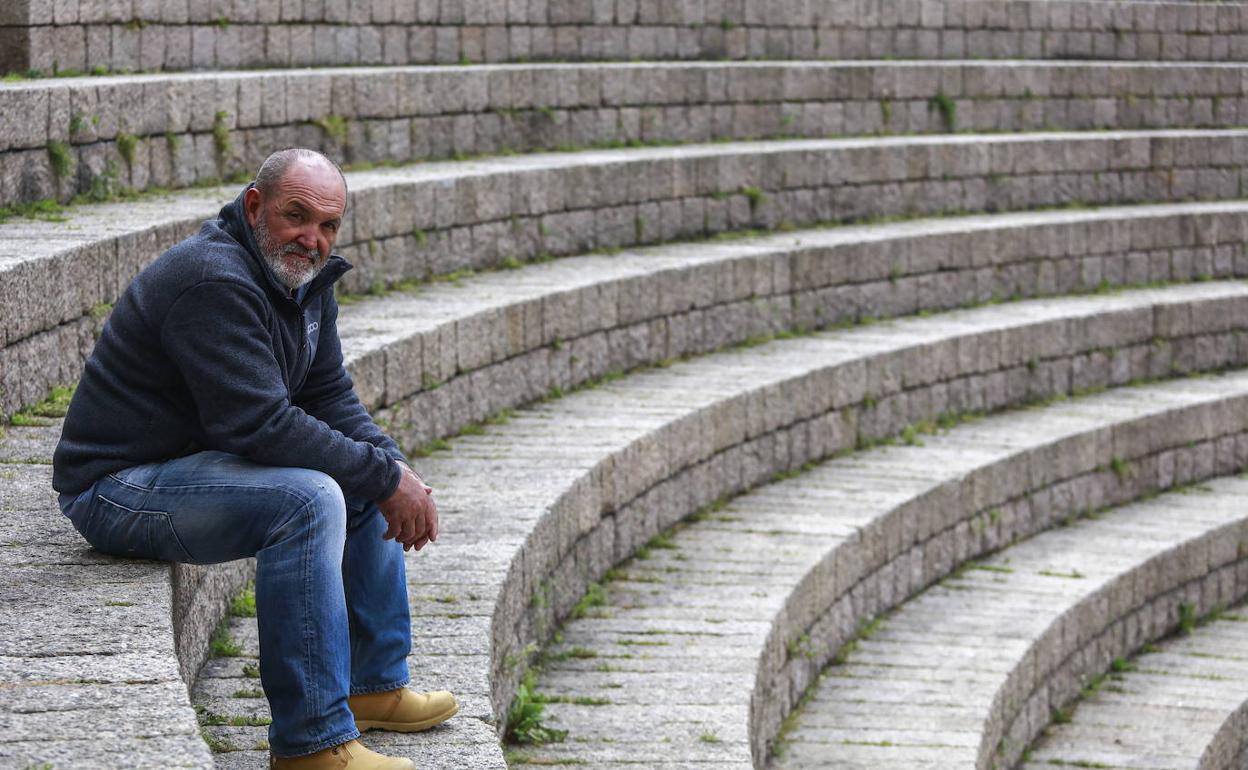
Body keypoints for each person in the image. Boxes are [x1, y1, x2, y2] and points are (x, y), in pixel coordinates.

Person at [52, 148, 455, 770]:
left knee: (361, 477)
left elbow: (327, 395)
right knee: (311, 497)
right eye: (297, 217)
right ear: (254, 206)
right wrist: (382, 475)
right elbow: (259, 425)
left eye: (327, 226)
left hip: (192, 470)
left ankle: (373, 684)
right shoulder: (213, 279)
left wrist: (394, 468)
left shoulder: (302, 279)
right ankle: (311, 742)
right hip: (116, 488)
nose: (312, 238)